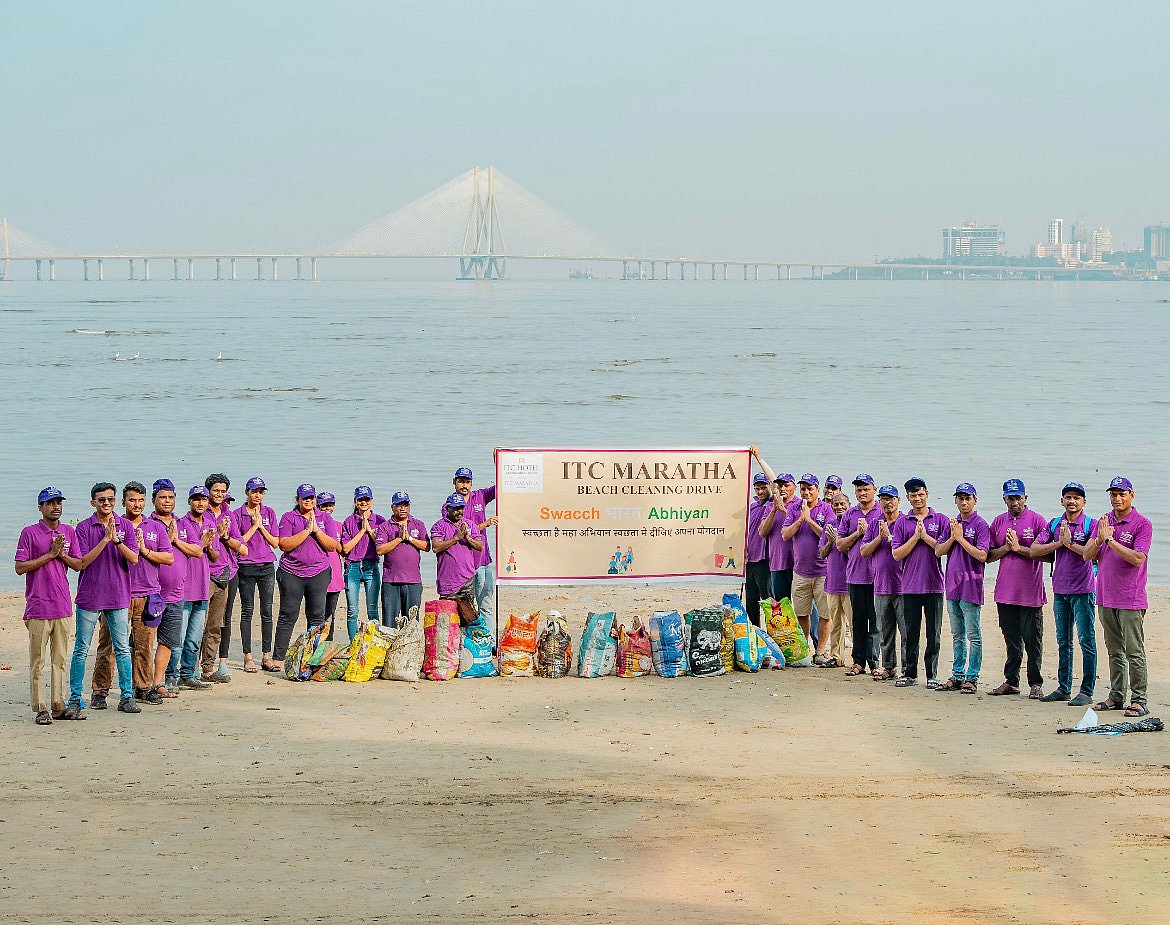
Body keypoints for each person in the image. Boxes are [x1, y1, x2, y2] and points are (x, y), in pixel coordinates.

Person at [66, 482, 141, 716]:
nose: (106, 503)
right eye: (101, 500)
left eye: (110, 499)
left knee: (122, 649)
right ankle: (75, 698)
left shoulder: (125, 525)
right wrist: (105, 540)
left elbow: (134, 558)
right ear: (93, 502)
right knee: (81, 649)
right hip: (89, 597)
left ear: (115, 501)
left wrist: (116, 540)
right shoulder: (84, 527)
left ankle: (126, 696)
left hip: (118, 596)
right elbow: (82, 563)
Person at [1084, 477, 1153, 717]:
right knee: (1114, 651)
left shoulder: (1142, 524)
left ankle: (1139, 700)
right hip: (1105, 596)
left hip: (1130, 598)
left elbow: (1137, 559)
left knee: (1134, 651)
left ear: (1131, 495)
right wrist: (1099, 538)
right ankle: (1116, 696)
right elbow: (1086, 555)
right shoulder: (1104, 521)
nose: (1117, 498)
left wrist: (1110, 540)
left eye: (1122, 493)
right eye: (1113, 494)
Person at [15, 487, 80, 724]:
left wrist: (61, 555)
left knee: (59, 660)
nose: (56, 507)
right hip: (38, 606)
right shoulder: (29, 533)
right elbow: (20, 567)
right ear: (40, 507)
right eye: (50, 503)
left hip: (62, 605)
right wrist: (50, 555)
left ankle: (59, 706)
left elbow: (78, 564)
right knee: (37, 661)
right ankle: (40, 708)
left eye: (58, 502)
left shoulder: (68, 532)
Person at [1031, 482, 1097, 705]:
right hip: (1060, 590)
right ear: (1062, 500)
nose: (1072, 501)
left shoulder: (1090, 524)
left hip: (1083, 590)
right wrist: (1059, 542)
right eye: (1068, 497)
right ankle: (1063, 688)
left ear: (1084, 502)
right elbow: (1034, 550)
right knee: (1063, 641)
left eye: (1077, 498)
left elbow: (1089, 553)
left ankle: (1086, 691)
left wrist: (1069, 545)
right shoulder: (1054, 524)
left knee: (1086, 641)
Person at [987, 478, 1048, 699]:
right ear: (1004, 499)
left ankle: (1035, 683)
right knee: (1011, 640)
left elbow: (1048, 555)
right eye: (1010, 498)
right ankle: (1011, 681)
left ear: (1025, 498)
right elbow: (988, 556)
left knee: (1033, 641)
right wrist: (1007, 548)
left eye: (1018, 498)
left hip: (1031, 593)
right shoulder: (998, 522)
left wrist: (1020, 548)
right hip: (1005, 592)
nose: (1015, 503)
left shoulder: (1037, 521)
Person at [890, 477, 949, 689]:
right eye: (913, 495)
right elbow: (896, 554)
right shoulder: (902, 522)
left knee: (934, 633)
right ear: (907, 497)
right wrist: (915, 537)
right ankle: (910, 673)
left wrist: (925, 537)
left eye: (921, 494)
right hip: (910, 586)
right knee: (910, 632)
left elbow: (943, 549)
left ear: (927, 494)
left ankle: (932, 675)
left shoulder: (940, 519)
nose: (917, 498)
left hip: (934, 585)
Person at [933, 483, 990, 694]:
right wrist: (952, 536)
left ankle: (972, 677)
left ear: (975, 500)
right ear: (956, 501)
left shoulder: (981, 525)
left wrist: (960, 538)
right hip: (953, 585)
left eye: (968, 498)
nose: (964, 502)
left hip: (971, 585)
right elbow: (938, 551)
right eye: (960, 498)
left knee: (973, 635)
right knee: (957, 634)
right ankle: (957, 674)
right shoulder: (952, 524)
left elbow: (982, 555)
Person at [122, 481, 174, 704]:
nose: (137, 504)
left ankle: (142, 688)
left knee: (144, 645)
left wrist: (145, 550)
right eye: (132, 500)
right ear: (123, 502)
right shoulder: (117, 525)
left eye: (141, 500)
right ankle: (101, 690)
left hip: (148, 594)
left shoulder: (155, 527)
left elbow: (168, 557)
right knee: (112, 645)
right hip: (120, 594)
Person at [272, 484, 337, 661]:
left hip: (319, 572)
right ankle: (279, 657)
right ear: (298, 499)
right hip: (291, 572)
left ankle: (312, 658)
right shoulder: (289, 517)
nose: (308, 501)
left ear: (315, 499)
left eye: (311, 497)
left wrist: (316, 530)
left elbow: (332, 546)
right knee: (288, 614)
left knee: (317, 616)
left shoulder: (324, 517)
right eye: (304, 498)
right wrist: (307, 530)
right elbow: (284, 544)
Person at [781, 474, 834, 660]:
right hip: (800, 572)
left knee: (825, 614)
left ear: (817, 490)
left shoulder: (826, 509)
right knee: (801, 613)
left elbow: (829, 536)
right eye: (803, 489)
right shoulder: (794, 508)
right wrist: (800, 519)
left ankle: (820, 650)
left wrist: (810, 520)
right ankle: (804, 650)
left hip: (823, 571)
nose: (806, 492)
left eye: (810, 488)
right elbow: (785, 535)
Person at [172, 486, 217, 691]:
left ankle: (188, 674)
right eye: (196, 499)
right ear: (189, 501)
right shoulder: (181, 523)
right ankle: (171, 675)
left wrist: (209, 545)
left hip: (202, 587)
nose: (201, 503)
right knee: (178, 638)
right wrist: (200, 544)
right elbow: (186, 550)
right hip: (184, 587)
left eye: (204, 499)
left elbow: (215, 556)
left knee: (194, 638)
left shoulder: (210, 524)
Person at [201, 474, 245, 684]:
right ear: (208, 491)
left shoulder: (229, 514)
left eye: (222, 491)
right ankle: (190, 669)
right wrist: (216, 535)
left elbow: (241, 545)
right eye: (215, 490)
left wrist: (225, 536)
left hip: (224, 573)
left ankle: (208, 668)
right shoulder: (202, 512)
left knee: (215, 624)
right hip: (203, 573)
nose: (219, 494)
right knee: (198, 623)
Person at [233, 476, 280, 672]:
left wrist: (261, 526)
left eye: (261, 492)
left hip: (267, 566)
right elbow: (238, 542)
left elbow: (275, 542)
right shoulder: (237, 514)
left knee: (267, 611)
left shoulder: (269, 512)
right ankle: (248, 656)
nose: (257, 495)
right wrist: (254, 526)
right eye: (254, 492)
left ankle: (266, 656)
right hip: (246, 566)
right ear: (247, 493)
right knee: (247, 610)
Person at [861, 485, 905, 682]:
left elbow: (907, 548)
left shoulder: (905, 522)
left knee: (906, 631)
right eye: (884, 499)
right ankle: (888, 666)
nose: (888, 503)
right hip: (880, 585)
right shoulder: (875, 524)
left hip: (903, 585)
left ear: (899, 501)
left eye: (891, 498)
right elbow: (864, 551)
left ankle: (907, 668)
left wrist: (890, 537)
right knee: (885, 631)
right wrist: (880, 537)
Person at [837, 474, 879, 677]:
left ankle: (876, 662)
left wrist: (870, 533)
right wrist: (858, 534)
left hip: (877, 577)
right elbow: (839, 544)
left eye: (866, 489)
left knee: (876, 622)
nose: (862, 493)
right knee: (858, 621)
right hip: (855, 575)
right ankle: (858, 661)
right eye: (859, 490)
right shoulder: (850, 514)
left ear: (874, 490)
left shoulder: (882, 511)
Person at [148, 479, 185, 698]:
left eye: (171, 497)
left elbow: (198, 549)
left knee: (168, 641)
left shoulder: (182, 523)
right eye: (162, 497)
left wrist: (177, 540)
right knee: (144, 641)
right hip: (151, 593)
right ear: (153, 499)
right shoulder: (147, 524)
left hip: (176, 594)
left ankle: (158, 682)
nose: (167, 501)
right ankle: (141, 682)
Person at [451, 466, 497, 633]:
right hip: (463, 565)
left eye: (467, 481)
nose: (464, 485)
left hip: (483, 560)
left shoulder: (480, 496)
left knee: (486, 605)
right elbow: (460, 532)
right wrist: (486, 524)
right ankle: (468, 638)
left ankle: (488, 640)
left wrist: (498, 462)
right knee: (466, 607)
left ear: (471, 483)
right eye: (461, 481)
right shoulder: (450, 505)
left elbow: (501, 487)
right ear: (454, 482)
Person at [375, 491, 429, 628]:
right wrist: (399, 539)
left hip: (413, 581)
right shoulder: (385, 526)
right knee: (389, 622)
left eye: (405, 505)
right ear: (392, 507)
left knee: (412, 623)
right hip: (391, 581)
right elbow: (380, 550)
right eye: (399, 505)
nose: (402, 508)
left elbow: (427, 546)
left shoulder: (418, 524)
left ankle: (410, 642)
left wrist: (409, 538)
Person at [341, 486, 385, 637]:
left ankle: (374, 642)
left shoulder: (379, 520)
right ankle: (353, 643)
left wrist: (370, 530)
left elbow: (381, 546)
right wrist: (362, 531)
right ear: (355, 501)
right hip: (352, 566)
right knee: (352, 610)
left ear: (371, 501)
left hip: (370, 566)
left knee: (372, 609)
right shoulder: (349, 521)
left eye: (366, 499)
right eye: (360, 499)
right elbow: (346, 548)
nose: (363, 502)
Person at [431, 493, 484, 617]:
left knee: (469, 616)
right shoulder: (439, 525)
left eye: (461, 508)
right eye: (455, 508)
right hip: (448, 580)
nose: (459, 511)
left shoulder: (470, 525)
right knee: (447, 618)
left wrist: (468, 538)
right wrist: (456, 538)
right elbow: (435, 547)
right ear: (447, 508)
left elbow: (480, 546)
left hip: (467, 578)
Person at [818, 491, 853, 668]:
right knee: (836, 623)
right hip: (832, 582)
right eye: (836, 504)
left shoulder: (853, 524)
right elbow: (822, 553)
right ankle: (836, 656)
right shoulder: (829, 525)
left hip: (850, 583)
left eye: (842, 504)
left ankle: (858, 659)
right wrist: (831, 541)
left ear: (849, 505)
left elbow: (855, 553)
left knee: (854, 623)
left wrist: (839, 541)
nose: (839, 507)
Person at [761, 472, 797, 602]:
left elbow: (801, 528)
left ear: (794, 487)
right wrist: (774, 510)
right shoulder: (770, 507)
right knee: (781, 605)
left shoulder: (799, 504)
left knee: (802, 605)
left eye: (786, 485)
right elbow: (762, 532)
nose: (782, 488)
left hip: (797, 564)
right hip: (777, 562)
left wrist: (783, 510)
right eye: (780, 486)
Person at [744, 470, 774, 626]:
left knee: (767, 600)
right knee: (751, 602)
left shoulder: (773, 503)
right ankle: (755, 632)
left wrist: (759, 459)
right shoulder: (752, 507)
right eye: (757, 488)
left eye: (763, 487)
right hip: (749, 560)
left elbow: (775, 482)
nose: (760, 491)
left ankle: (773, 632)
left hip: (764, 560)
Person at [315, 492, 346, 635]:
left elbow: (343, 551)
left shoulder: (338, 525)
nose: (328, 508)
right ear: (318, 506)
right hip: (317, 572)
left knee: (330, 613)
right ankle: (314, 643)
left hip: (334, 574)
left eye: (330, 505)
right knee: (316, 612)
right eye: (324, 506)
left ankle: (329, 642)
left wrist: (333, 540)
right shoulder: (313, 524)